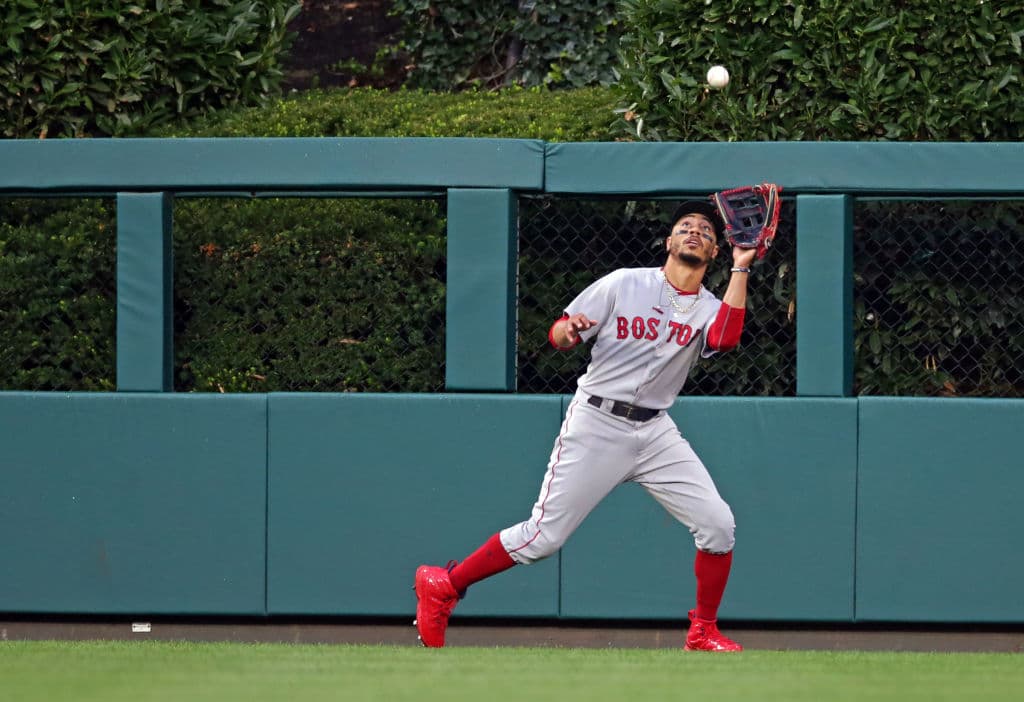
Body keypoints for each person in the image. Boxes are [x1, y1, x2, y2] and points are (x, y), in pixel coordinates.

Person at [414, 199, 758, 651]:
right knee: (543, 538)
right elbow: (557, 334)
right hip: (598, 421)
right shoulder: (624, 283)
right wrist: (569, 331)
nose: (694, 231)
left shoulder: (712, 306)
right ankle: (445, 585)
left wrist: (742, 265)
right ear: (668, 241)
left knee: (718, 525)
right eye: (685, 226)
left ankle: (703, 631)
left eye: (706, 231)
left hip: (655, 431)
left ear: (714, 251)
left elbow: (725, 339)